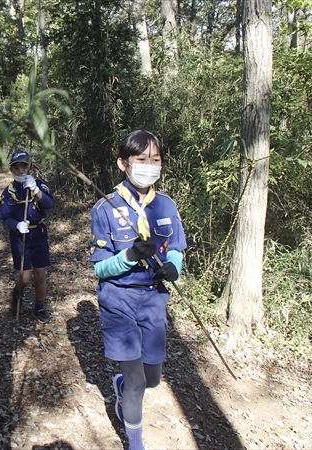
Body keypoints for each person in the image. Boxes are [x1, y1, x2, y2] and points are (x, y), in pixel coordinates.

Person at [89, 130, 187, 450]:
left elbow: (175, 248)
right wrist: (129, 256)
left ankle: (120, 386)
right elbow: (100, 268)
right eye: (141, 159)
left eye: (155, 160)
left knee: (153, 378)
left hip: (154, 299)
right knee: (136, 382)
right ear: (123, 163)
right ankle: (135, 441)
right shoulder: (105, 208)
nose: (149, 165)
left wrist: (173, 266)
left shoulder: (166, 205)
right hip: (118, 298)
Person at [0, 150, 54, 323]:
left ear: (31, 167)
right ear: (12, 169)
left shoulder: (39, 185)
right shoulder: (8, 192)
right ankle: (17, 294)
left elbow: (49, 204)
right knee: (25, 277)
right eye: (17, 167)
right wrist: (16, 225)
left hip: (38, 234)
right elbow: (5, 216)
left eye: (25, 166)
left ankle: (39, 306)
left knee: (40, 274)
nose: (21, 171)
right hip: (19, 237)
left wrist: (36, 190)